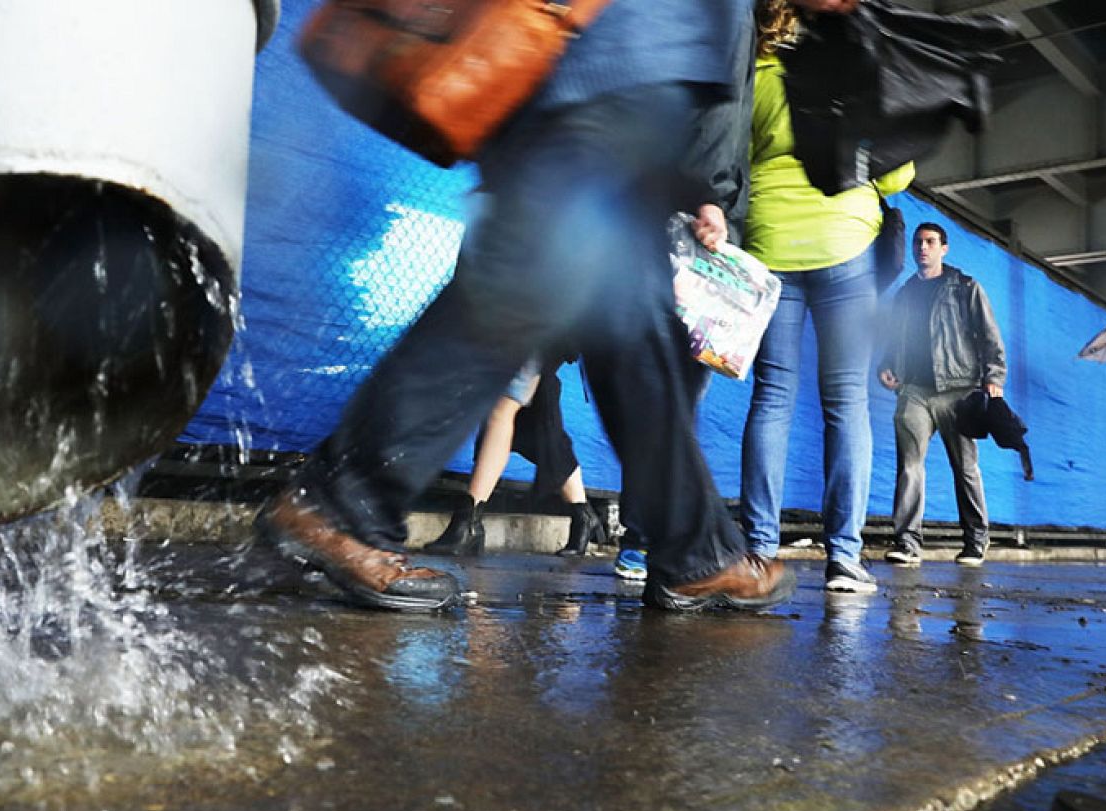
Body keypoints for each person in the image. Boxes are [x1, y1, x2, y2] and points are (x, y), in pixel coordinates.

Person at [257, 0, 866, 613]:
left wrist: (698, 183)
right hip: (610, 79)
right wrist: (707, 182)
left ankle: (695, 551)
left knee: (629, 327)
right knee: (523, 286)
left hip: (603, 78)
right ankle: (340, 504)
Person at [739, 0, 914, 595]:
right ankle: (844, 557)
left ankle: (760, 550)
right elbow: (895, 176)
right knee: (846, 404)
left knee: (772, 400)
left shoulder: (757, 68)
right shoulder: (853, 73)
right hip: (844, 242)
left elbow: (737, 156)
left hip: (769, 243)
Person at [878, 222, 1007, 567]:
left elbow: (990, 337)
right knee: (909, 468)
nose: (923, 247)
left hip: (959, 390)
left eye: (930, 242)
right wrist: (887, 365)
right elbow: (893, 339)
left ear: (944, 248)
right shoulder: (905, 294)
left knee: (965, 468)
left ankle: (975, 542)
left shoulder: (966, 288)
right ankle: (907, 543)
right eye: (918, 242)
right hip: (914, 391)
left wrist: (993, 376)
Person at [423, 355, 607, 557]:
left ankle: (468, 523)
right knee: (536, 423)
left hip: (542, 330)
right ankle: (583, 515)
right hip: (523, 330)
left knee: (503, 405)